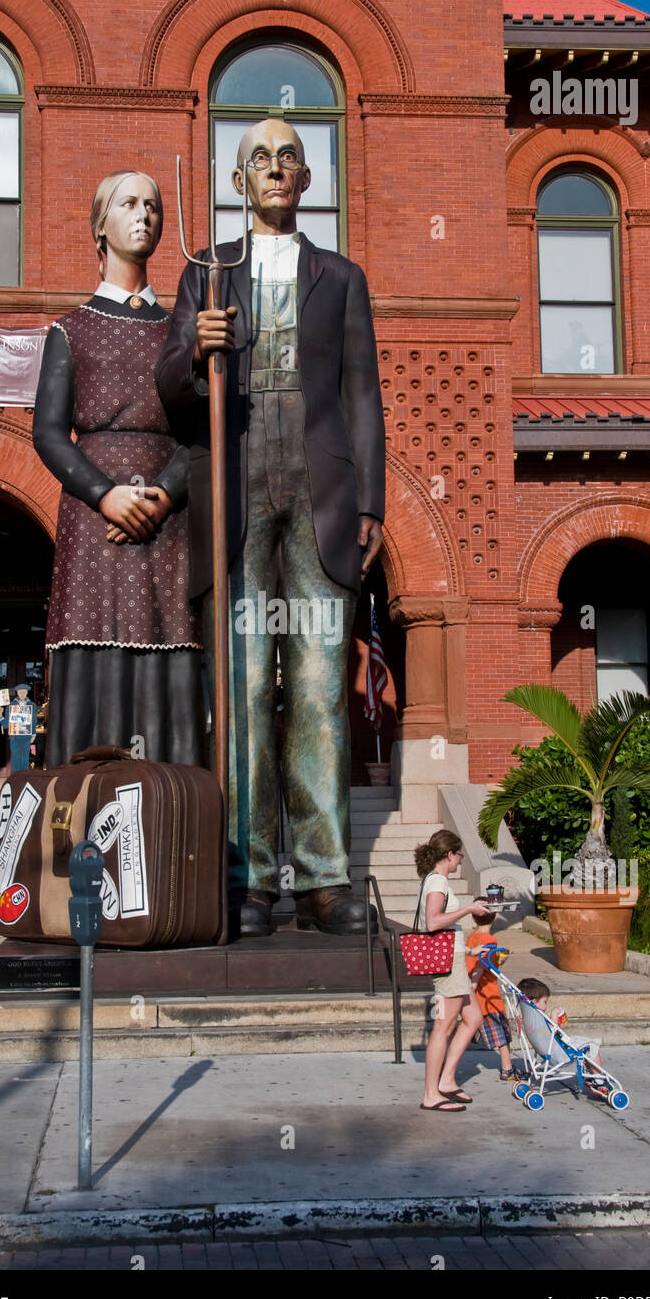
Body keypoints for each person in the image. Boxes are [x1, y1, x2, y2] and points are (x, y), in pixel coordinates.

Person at [156, 119, 386, 937]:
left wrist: (370, 504)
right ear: (237, 179)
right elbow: (171, 396)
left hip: (319, 492)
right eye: (260, 158)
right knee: (244, 688)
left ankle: (324, 879)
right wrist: (192, 351)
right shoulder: (206, 273)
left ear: (307, 177)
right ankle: (248, 876)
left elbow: (362, 394)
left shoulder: (342, 277)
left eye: (289, 156)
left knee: (321, 691)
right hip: (238, 486)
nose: (276, 168)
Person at [32, 169, 202, 768]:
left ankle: (171, 826)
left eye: (153, 205)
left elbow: (201, 433)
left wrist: (164, 494)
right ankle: (81, 826)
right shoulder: (69, 329)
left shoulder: (182, 335)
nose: (145, 214)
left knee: (170, 652)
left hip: (167, 520)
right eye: (129, 203)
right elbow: (49, 434)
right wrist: (104, 494)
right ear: (99, 226)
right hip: (92, 521)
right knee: (91, 650)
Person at [416, 829, 492, 1112]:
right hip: (448, 966)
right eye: (459, 855)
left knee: (473, 1017)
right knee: (443, 1026)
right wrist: (467, 910)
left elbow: (445, 929)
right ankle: (431, 1094)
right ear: (449, 854)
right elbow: (433, 923)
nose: (460, 860)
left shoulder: (439, 881)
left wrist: (470, 951)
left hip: (455, 959)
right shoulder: (437, 882)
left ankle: (447, 1080)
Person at [517, 978, 606, 1092]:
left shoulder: (532, 1019)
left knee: (582, 1045)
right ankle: (598, 1080)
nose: (546, 1005)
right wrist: (554, 1014)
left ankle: (592, 1074)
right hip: (559, 1054)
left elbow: (546, 1032)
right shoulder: (538, 1019)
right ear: (534, 1002)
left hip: (549, 1050)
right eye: (544, 1002)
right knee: (591, 1046)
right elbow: (552, 1030)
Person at [465, 911, 520, 1082]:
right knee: (502, 1035)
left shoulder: (471, 938)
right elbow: (480, 967)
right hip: (488, 995)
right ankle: (507, 1068)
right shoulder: (489, 941)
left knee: (467, 1032)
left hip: (476, 995)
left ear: (473, 918)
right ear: (495, 917)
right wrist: (472, 986)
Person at [0, 684, 36, 774]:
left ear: (27, 692)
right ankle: (15, 779)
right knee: (15, 759)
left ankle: (24, 778)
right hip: (14, 737)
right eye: (20, 691)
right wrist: (0, 715)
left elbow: (34, 720)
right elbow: (6, 724)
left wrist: (34, 734)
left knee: (25, 759)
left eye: (24, 691)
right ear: (17, 693)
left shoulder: (32, 705)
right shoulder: (11, 705)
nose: (22, 693)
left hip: (26, 736)